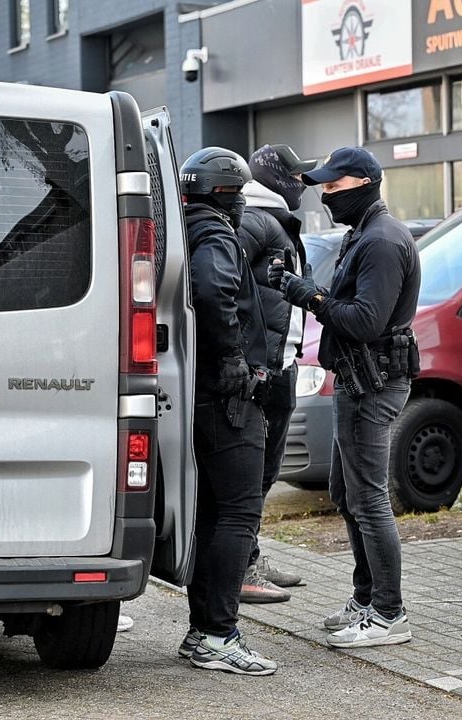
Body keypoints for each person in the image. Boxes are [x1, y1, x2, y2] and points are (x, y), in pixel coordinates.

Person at [270, 147, 421, 649]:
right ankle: (366, 598)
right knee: (345, 490)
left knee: (368, 498)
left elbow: (365, 321)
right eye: (324, 188)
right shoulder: (365, 233)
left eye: (334, 187)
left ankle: (388, 613)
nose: (327, 196)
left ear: (364, 183)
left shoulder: (381, 240)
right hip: (359, 380)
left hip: (372, 384)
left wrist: (307, 295)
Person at [179, 147, 277, 675]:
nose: (242, 204)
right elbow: (214, 290)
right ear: (224, 194)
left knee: (214, 514)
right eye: (238, 194)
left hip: (200, 393)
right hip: (228, 398)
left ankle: (203, 631)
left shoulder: (182, 228)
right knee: (240, 513)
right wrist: (234, 356)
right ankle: (218, 635)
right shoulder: (215, 234)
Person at [235, 144, 316, 604]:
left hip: (278, 366)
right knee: (253, 476)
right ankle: (242, 569)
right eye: (297, 175)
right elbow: (220, 283)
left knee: (265, 474)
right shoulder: (255, 219)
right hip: (263, 372)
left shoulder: (273, 219)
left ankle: (251, 556)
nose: (303, 184)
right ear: (277, 178)